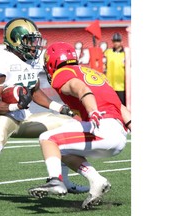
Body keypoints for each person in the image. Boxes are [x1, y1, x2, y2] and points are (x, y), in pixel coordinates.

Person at [0, 18, 86, 209]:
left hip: (24, 117)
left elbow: (35, 91)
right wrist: (16, 106)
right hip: (3, 116)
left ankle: (65, 182)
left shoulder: (32, 60)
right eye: (29, 41)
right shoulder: (1, 59)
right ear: (16, 41)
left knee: (65, 127)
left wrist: (60, 108)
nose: (34, 46)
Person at [28, 42, 131, 209]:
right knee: (61, 149)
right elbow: (121, 108)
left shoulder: (63, 73)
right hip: (117, 133)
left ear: (52, 63)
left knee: (47, 139)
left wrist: (92, 111)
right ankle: (96, 181)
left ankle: (55, 181)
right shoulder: (96, 75)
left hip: (102, 127)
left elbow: (80, 88)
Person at [104, 33, 126, 105]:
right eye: (114, 41)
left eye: (118, 41)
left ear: (122, 42)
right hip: (110, 85)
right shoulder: (108, 53)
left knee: (122, 106)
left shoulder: (126, 54)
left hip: (121, 86)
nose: (116, 43)